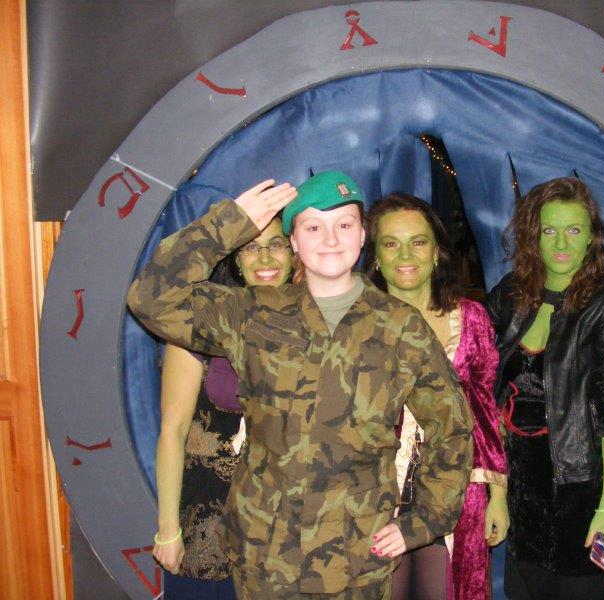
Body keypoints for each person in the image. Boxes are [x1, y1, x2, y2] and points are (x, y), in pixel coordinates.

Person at [128, 171, 473, 599]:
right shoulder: (253, 314)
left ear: (363, 234)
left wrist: (422, 522)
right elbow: (150, 299)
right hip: (265, 562)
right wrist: (228, 223)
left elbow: (452, 428)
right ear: (293, 241)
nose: (330, 239)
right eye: (312, 227)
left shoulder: (401, 328)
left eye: (344, 224)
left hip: (356, 565)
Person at [485, 177, 604, 599]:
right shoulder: (512, 294)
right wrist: (496, 490)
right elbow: (480, 377)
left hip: (580, 485)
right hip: (520, 485)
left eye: (573, 230)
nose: (561, 243)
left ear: (592, 237)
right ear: (533, 236)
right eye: (549, 230)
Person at [364, 193, 508, 600]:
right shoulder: (357, 322)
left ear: (436, 252)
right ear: (376, 256)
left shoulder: (471, 318)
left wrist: (498, 494)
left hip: (458, 491)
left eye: (418, 242)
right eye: (391, 243)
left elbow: (485, 408)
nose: (405, 255)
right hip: (373, 493)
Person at [151, 216, 293, 598]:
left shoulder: (314, 326)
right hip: (209, 527)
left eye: (276, 244)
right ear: (236, 260)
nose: (266, 257)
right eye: (251, 247)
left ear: (293, 252)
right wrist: (168, 530)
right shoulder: (201, 322)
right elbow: (172, 432)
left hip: (286, 535)